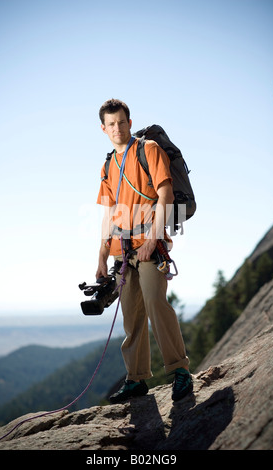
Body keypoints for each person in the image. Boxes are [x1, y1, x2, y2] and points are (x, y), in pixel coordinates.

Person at [96, 98, 192, 403]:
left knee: (155, 304)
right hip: (121, 252)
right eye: (111, 124)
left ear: (129, 122)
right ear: (104, 128)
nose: (117, 128)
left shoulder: (148, 149)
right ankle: (136, 379)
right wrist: (100, 255)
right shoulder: (108, 164)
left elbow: (164, 191)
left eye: (122, 122)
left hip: (151, 246)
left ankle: (179, 371)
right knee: (131, 315)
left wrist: (153, 236)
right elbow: (108, 212)